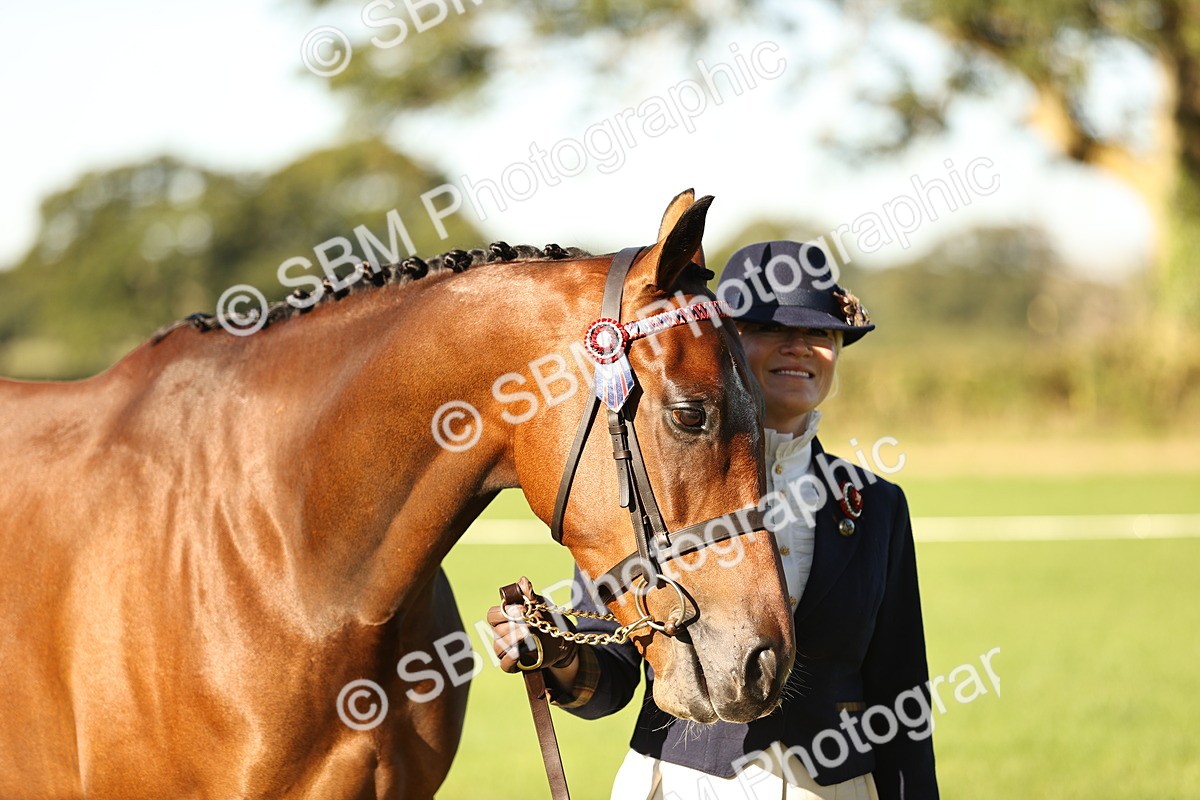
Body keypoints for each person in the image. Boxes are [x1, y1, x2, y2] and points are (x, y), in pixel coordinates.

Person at [489, 240, 939, 799]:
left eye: (821, 334)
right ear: (726, 342)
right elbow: (607, 680)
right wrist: (555, 653)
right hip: (681, 783)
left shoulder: (876, 504)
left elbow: (901, 691)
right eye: (771, 329)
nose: (800, 347)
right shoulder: (651, 486)